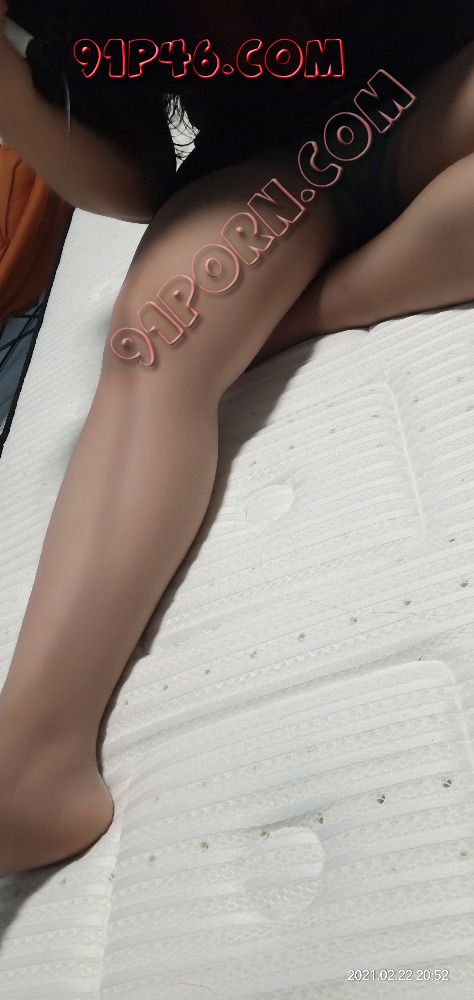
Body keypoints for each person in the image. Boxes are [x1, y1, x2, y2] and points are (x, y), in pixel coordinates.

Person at [0, 0, 472, 878]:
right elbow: (140, 183)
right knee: (153, 345)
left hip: (436, 84)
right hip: (274, 165)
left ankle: (310, 311)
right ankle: (28, 760)